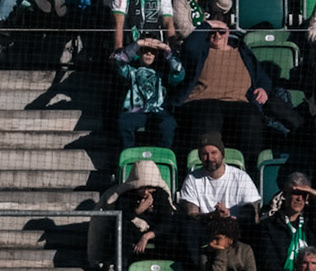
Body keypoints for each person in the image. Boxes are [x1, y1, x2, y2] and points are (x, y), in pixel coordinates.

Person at [169, 22, 273, 163]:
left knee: (251, 120)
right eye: (212, 32)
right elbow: (189, 46)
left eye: (221, 32)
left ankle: (248, 171)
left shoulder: (242, 52)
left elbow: (262, 77)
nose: (217, 35)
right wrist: (207, 24)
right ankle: (202, 166)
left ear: (228, 32)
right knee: (208, 118)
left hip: (238, 102)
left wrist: (263, 89)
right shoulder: (200, 52)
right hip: (204, 100)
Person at [112, 38, 184, 151]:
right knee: (123, 123)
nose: (149, 53)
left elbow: (179, 71)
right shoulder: (131, 71)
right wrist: (138, 44)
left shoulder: (163, 73)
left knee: (169, 124)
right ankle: (127, 155)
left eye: (153, 51)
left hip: (158, 111)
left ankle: (163, 156)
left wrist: (167, 50)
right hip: (135, 111)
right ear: (139, 52)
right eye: (145, 50)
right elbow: (118, 60)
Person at [176, 136, 262, 223]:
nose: (210, 158)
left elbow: (253, 214)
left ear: (222, 154)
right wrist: (212, 216)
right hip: (205, 230)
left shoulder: (241, 177)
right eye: (205, 154)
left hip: (236, 230)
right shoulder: (192, 179)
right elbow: (191, 215)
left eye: (214, 153)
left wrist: (230, 218)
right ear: (200, 157)